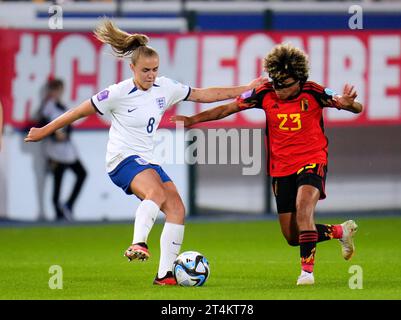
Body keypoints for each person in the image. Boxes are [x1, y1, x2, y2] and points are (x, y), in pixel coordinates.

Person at [24, 20, 267, 285]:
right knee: (157, 192)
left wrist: (246, 88)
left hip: (146, 159)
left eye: (154, 70)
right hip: (121, 160)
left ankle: (165, 275)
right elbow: (77, 112)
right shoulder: (117, 92)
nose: (151, 75)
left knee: (176, 208)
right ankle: (138, 243)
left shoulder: (165, 87)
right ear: (132, 68)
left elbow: (203, 94)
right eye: (145, 71)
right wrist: (44, 131)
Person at [171, 43, 363, 286]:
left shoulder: (315, 92)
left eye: (284, 84)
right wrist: (192, 119)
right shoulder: (264, 92)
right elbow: (226, 109)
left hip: (312, 159)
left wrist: (349, 103)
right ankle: (339, 231)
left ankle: (307, 273)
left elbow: (355, 106)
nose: (278, 89)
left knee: (304, 209)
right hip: (281, 168)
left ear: (299, 80)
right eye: (275, 82)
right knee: (292, 235)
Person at [37, 79, 87, 221]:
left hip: (67, 150)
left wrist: (65, 134)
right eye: (54, 90)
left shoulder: (61, 106)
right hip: (55, 151)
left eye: (58, 90)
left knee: (82, 174)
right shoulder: (47, 107)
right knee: (57, 182)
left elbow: (69, 124)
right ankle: (58, 214)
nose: (56, 93)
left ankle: (68, 205)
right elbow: (42, 126)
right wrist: (54, 135)